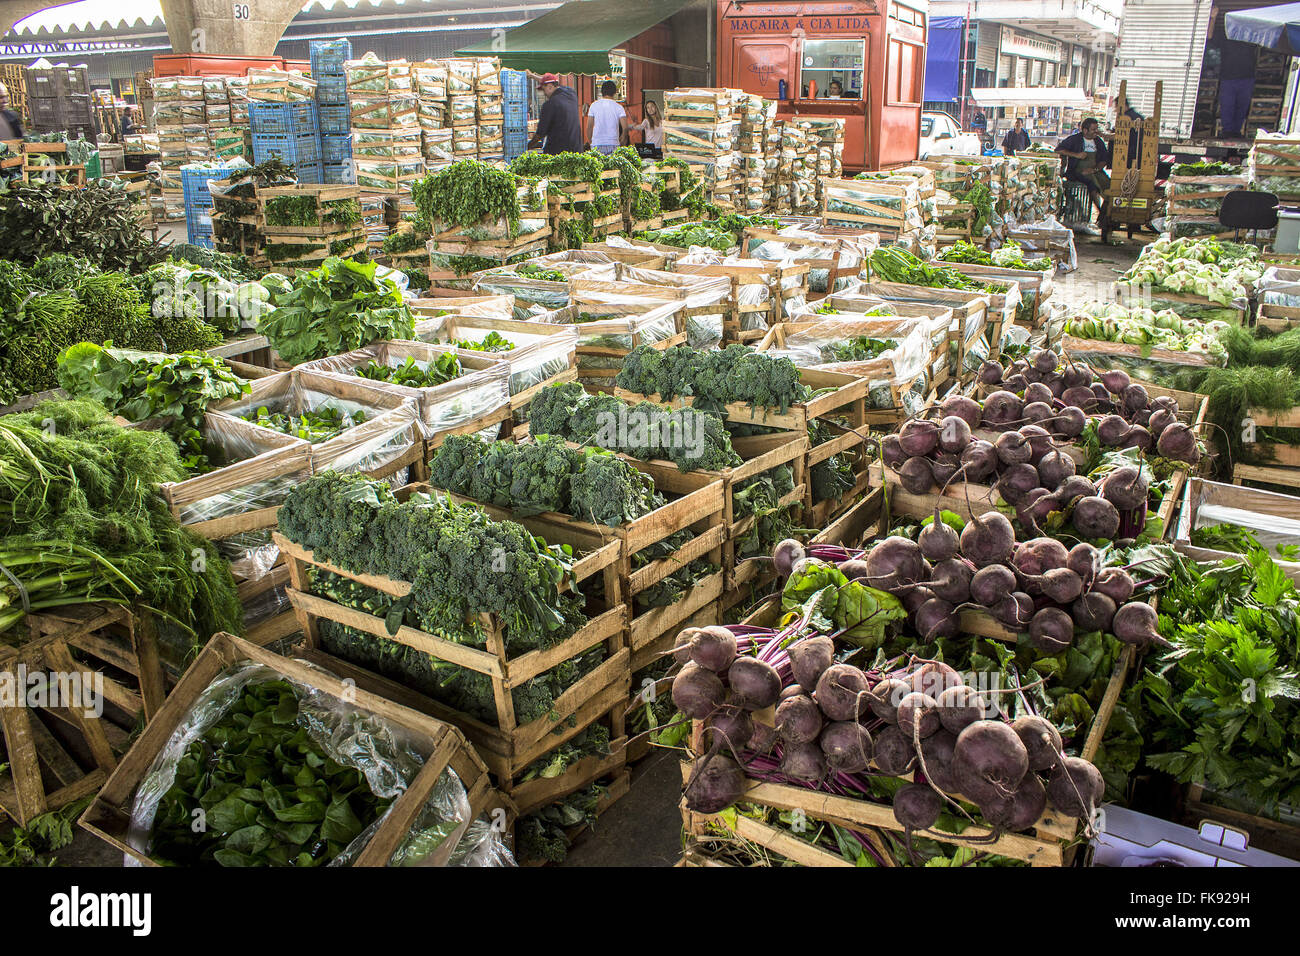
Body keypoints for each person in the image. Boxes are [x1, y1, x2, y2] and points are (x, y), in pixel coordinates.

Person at [1057, 116, 1112, 230]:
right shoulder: (1074, 139)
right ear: (1085, 130)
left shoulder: (1098, 141)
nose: (1096, 132)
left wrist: (1095, 169)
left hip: (1095, 170)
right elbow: (1059, 149)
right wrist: (1076, 155)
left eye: (1097, 129)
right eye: (1093, 129)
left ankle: (1105, 214)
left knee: (1110, 187)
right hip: (1077, 171)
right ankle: (1101, 212)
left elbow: (1104, 159)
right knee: (1092, 184)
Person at [527, 73, 583, 155]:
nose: (544, 94)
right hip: (577, 150)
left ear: (550, 86)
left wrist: (528, 146)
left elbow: (540, 133)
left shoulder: (549, 105)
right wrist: (532, 75)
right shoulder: (571, 94)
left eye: (543, 90)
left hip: (558, 153)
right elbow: (552, 82)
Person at [1218, 38, 1258, 138]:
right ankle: (1227, 130)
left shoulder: (1250, 37)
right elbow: (1210, 37)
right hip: (1228, 78)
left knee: (1242, 106)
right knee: (1228, 105)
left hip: (1246, 77)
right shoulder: (1226, 37)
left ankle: (1236, 131)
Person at [587, 80, 627, 155]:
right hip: (613, 143)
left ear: (601, 92)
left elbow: (589, 127)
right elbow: (625, 128)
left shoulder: (594, 105)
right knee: (612, 167)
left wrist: (591, 142)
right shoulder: (619, 107)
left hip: (597, 143)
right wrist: (621, 143)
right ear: (615, 92)